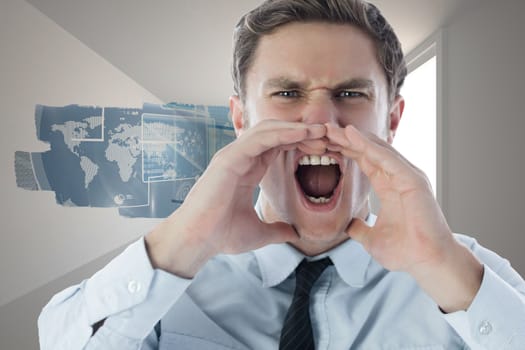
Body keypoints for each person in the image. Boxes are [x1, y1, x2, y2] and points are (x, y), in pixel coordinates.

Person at [38, 0, 525, 349]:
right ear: (241, 120)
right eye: (288, 94)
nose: (319, 124)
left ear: (392, 120)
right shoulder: (167, 279)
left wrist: (441, 265)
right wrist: (182, 243)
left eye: (351, 94)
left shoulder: (464, 273)